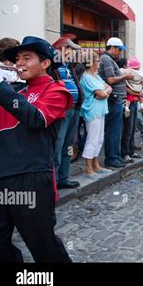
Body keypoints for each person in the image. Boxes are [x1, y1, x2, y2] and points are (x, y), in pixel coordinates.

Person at [0, 36, 72, 262]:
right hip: (1, 175)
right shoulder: (13, 92)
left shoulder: (56, 90)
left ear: (45, 63)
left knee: (43, 245)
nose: (19, 63)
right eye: (17, 58)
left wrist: (2, 89)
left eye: (27, 58)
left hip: (30, 176)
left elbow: (36, 119)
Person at [51, 36, 84, 189]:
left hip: (74, 108)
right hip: (62, 110)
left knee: (68, 145)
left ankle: (63, 178)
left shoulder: (69, 66)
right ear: (63, 49)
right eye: (70, 49)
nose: (72, 53)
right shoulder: (53, 66)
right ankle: (53, 181)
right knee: (57, 146)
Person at [98, 37, 133, 168]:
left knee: (116, 130)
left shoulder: (109, 59)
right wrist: (125, 76)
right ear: (112, 48)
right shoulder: (107, 59)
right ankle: (112, 158)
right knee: (113, 131)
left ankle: (115, 156)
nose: (120, 53)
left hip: (116, 99)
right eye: (119, 50)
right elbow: (111, 79)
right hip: (112, 100)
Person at [79, 52, 113, 178]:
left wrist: (104, 93)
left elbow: (108, 88)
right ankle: (88, 168)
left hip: (101, 110)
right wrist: (104, 93)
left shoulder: (96, 76)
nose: (98, 63)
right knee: (92, 139)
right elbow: (101, 94)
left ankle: (96, 164)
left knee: (99, 139)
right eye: (96, 61)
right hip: (92, 111)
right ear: (90, 62)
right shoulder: (86, 77)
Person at [121, 57, 143, 163]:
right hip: (129, 103)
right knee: (128, 129)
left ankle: (130, 151)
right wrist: (137, 93)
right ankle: (125, 153)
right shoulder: (125, 75)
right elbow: (126, 88)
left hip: (134, 102)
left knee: (132, 128)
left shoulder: (134, 75)